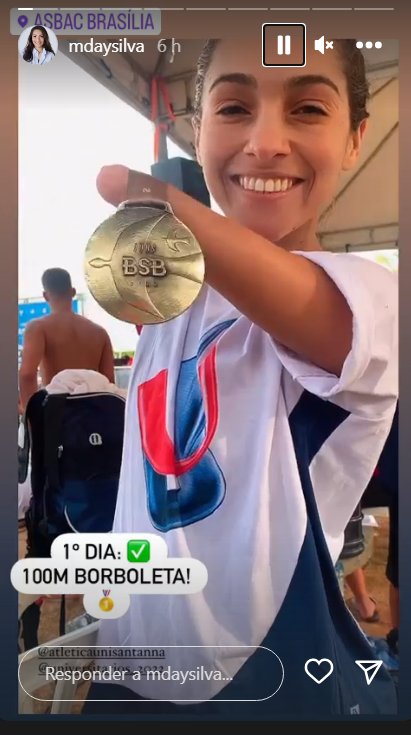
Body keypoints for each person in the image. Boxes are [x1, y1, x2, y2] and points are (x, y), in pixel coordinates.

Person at [83, 38, 398, 716]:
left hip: (266, 676)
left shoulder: (371, 301)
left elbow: (307, 308)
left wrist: (154, 196)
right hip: (133, 657)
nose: (265, 143)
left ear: (355, 139)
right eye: (232, 108)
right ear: (198, 130)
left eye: (308, 109)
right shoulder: (173, 301)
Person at [19, 268, 115, 410]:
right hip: (93, 413)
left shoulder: (38, 328)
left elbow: (27, 375)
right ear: (73, 292)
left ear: (45, 296)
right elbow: (108, 381)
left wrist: (30, 415)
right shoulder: (100, 332)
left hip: (57, 412)